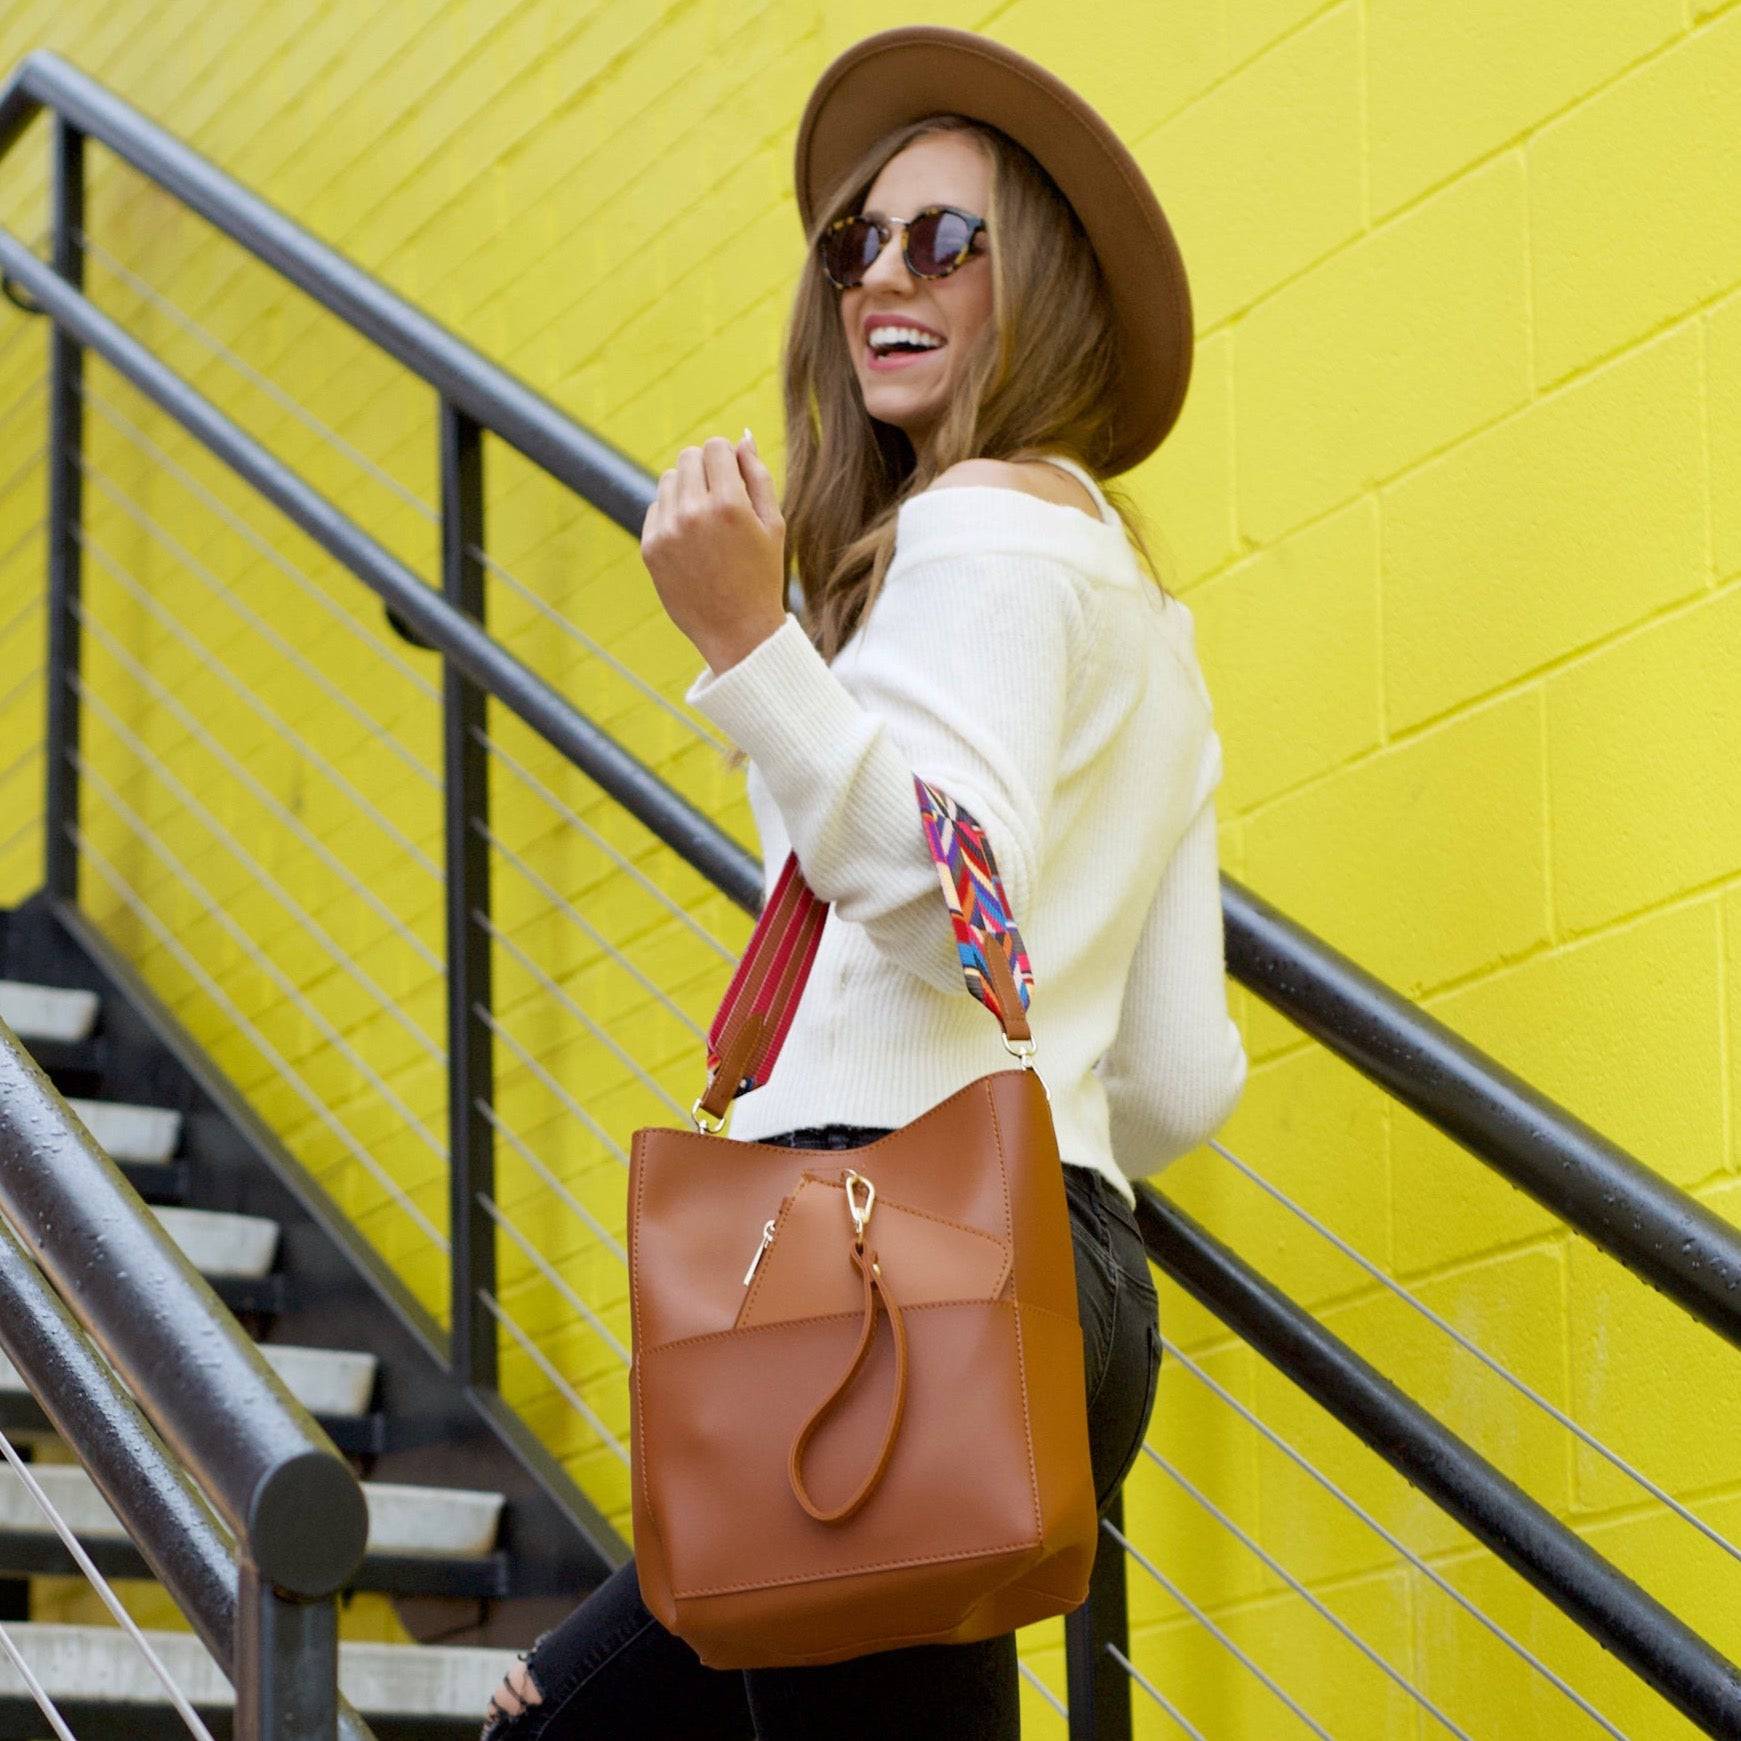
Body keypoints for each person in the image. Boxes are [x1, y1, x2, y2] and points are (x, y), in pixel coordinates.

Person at [481, 23, 1246, 1740]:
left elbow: (944, 890)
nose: (884, 276)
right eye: (856, 242)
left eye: (945, 240)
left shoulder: (975, 526)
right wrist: (1025, 1149)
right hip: (1039, 1289)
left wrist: (751, 644)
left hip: (888, 1287)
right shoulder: (1146, 621)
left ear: (1031, 281)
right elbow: (1184, 1072)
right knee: (568, 1703)